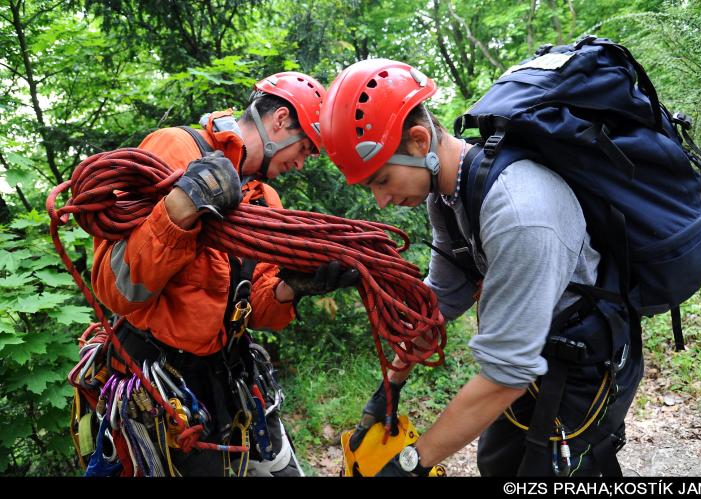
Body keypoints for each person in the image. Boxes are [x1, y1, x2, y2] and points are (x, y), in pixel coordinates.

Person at [319, 59, 643, 477]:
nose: (381, 202)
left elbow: (505, 374)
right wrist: (391, 385)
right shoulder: (448, 197)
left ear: (419, 141)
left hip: (584, 366)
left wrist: (409, 465)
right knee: (496, 464)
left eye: (380, 180)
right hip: (530, 353)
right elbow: (444, 297)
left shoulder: (519, 213)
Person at [90, 71, 357, 476]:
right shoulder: (174, 148)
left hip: (230, 376)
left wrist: (293, 287)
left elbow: (259, 307)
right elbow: (118, 291)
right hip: (161, 384)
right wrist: (181, 207)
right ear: (280, 120)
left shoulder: (265, 200)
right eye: (305, 148)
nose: (301, 163)